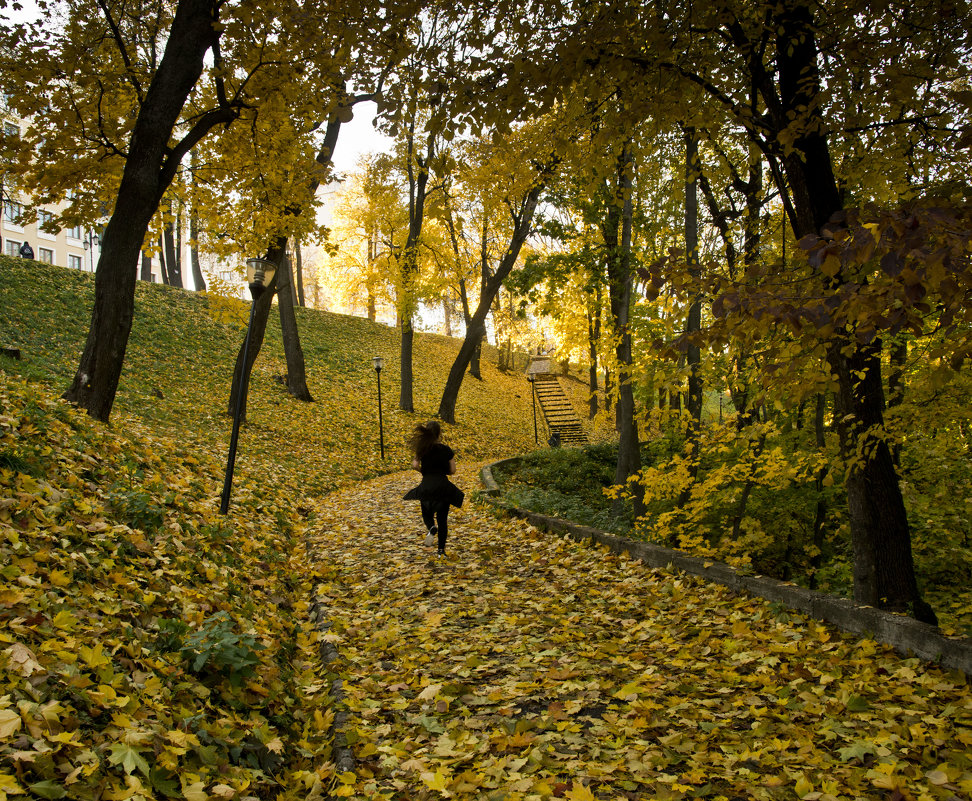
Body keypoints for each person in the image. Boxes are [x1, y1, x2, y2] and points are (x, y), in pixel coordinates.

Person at [403, 421, 463, 557]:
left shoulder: (422, 449)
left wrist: (424, 471)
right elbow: (453, 470)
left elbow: (414, 465)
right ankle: (441, 551)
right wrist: (443, 472)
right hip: (443, 487)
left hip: (426, 486)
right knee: (443, 520)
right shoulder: (446, 450)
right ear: (439, 433)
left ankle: (431, 527)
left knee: (426, 514)